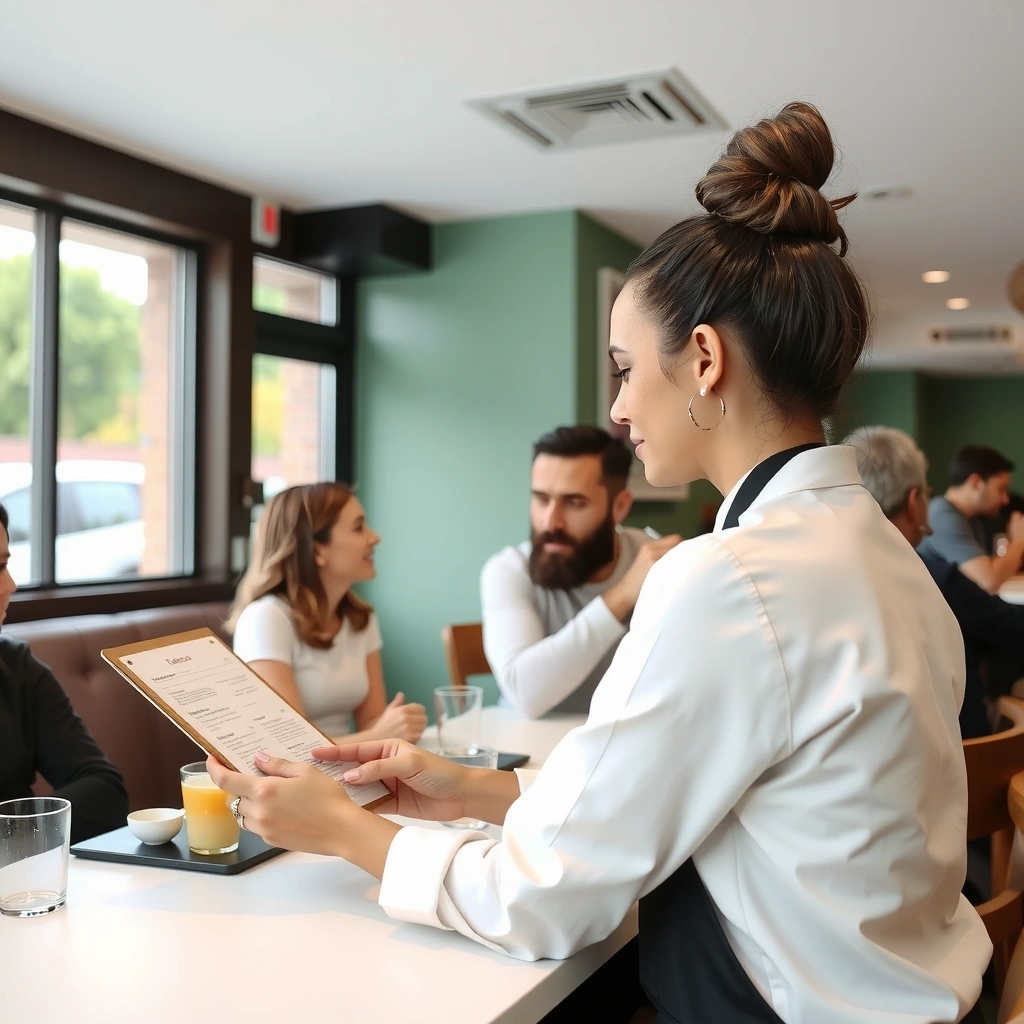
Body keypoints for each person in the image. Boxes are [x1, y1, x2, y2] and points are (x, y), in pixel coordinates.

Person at [209, 103, 991, 1023]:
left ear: (704, 359)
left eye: (624, 368)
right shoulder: (887, 555)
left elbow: (545, 898)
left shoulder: (730, 579)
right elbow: (703, 790)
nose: (617, 407)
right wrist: (478, 789)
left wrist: (348, 832)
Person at [480, 424, 680, 717]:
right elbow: (525, 693)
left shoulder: (659, 561)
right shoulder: (509, 570)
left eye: (574, 503)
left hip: (622, 738)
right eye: (541, 499)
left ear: (619, 507)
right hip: (524, 740)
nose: (551, 522)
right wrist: (621, 596)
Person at [847, 426, 1024, 738]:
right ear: (914, 502)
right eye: (927, 494)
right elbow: (998, 606)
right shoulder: (934, 577)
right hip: (963, 750)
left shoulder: (841, 575)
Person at [229, 483, 426, 744]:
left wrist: (397, 726)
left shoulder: (361, 618)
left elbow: (372, 724)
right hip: (292, 769)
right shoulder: (265, 618)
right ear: (316, 549)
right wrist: (379, 736)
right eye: (358, 528)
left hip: (350, 766)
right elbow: (290, 746)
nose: (375, 537)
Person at [0, 501, 128, 843]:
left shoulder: (17, 667)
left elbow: (105, 792)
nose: (10, 585)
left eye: (5, 565)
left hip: (22, 874)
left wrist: (14, 834)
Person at [917, 445, 1024, 594]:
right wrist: (1020, 540)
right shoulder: (943, 516)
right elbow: (988, 581)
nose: (1005, 500)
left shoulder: (971, 519)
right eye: (1001, 489)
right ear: (976, 482)